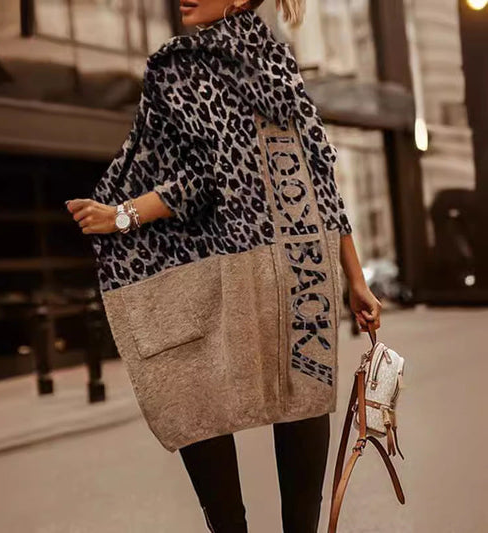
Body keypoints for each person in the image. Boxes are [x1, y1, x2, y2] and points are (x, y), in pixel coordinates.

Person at [66, 2, 382, 531]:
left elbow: (203, 179)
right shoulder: (278, 61)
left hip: (225, 263)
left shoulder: (178, 64)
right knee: (300, 398)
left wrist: (121, 215)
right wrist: (353, 278)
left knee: (192, 392)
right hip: (303, 262)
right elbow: (321, 175)